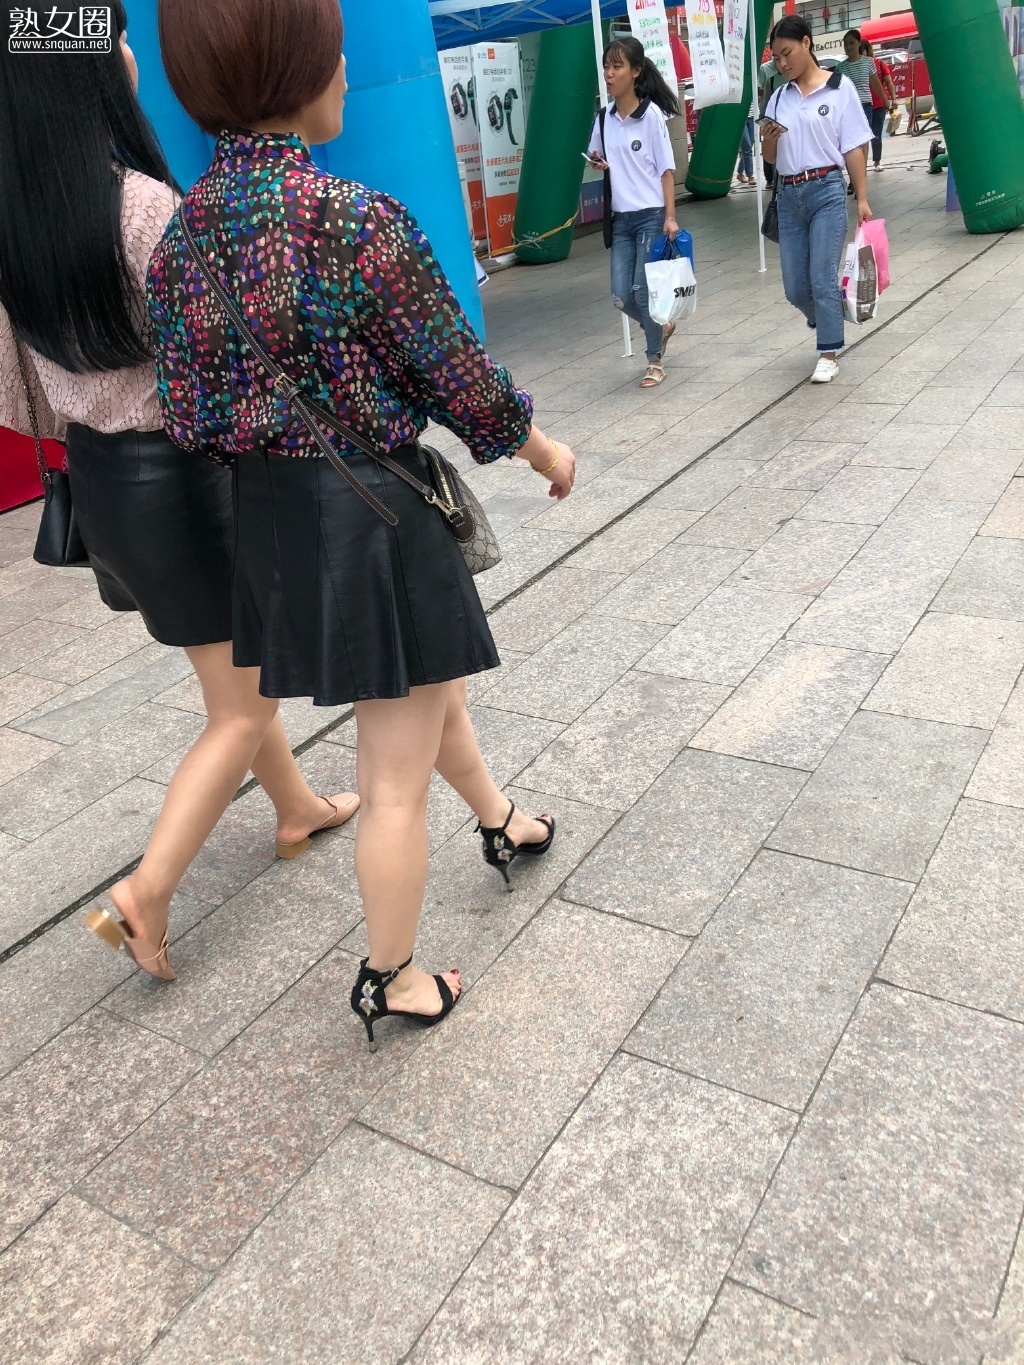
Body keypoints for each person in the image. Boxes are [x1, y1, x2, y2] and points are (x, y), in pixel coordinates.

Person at [149, 0, 576, 1045]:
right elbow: (462, 382)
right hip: (376, 512)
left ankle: (503, 821)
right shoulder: (353, 219)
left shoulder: (180, 239)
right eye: (332, 51)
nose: (345, 70)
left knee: (425, 693)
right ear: (295, 66)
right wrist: (541, 448)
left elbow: (190, 417)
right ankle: (392, 976)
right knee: (391, 779)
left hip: (273, 520)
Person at [0, 1, 358, 983]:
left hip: (103, 480)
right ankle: (146, 892)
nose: (128, 51)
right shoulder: (143, 208)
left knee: (234, 669)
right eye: (116, 38)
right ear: (82, 71)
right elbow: (224, 364)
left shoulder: (18, 223)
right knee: (238, 704)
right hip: (184, 478)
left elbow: (19, 395)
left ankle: (296, 808)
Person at [759, 15, 873, 385]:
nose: (782, 63)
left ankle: (828, 353)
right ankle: (827, 317)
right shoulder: (779, 96)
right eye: (776, 58)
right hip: (789, 196)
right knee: (795, 288)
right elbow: (770, 158)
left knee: (822, 278)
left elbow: (854, 146)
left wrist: (862, 199)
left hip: (826, 190)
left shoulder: (839, 89)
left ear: (806, 43)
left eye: (787, 53)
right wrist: (770, 140)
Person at [587, 36, 680, 390]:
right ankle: (661, 326)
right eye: (606, 67)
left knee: (642, 292)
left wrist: (670, 216)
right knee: (620, 295)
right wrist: (598, 162)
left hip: (651, 215)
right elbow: (597, 155)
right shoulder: (604, 117)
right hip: (620, 219)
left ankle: (654, 361)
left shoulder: (651, 116)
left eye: (617, 67)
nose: (609, 74)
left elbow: (666, 172)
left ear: (636, 71)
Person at [836, 28, 887, 192]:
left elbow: (875, 83)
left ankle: (861, 180)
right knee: (850, 145)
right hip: (847, 109)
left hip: (865, 107)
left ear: (859, 43)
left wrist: (885, 99)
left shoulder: (868, 62)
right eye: (845, 44)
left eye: (851, 43)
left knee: (863, 143)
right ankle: (853, 180)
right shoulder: (840, 68)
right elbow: (834, 91)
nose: (848, 47)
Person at [861, 39, 898, 171]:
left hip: (878, 106)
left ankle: (877, 162)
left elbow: (888, 81)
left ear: (868, 50)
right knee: (862, 138)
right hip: (862, 106)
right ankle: (861, 165)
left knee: (876, 135)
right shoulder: (856, 66)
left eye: (862, 50)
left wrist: (893, 99)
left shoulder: (879, 64)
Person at [737, 116, 756, 185]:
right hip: (741, 116)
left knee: (748, 147)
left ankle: (740, 173)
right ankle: (750, 176)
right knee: (747, 147)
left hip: (753, 116)